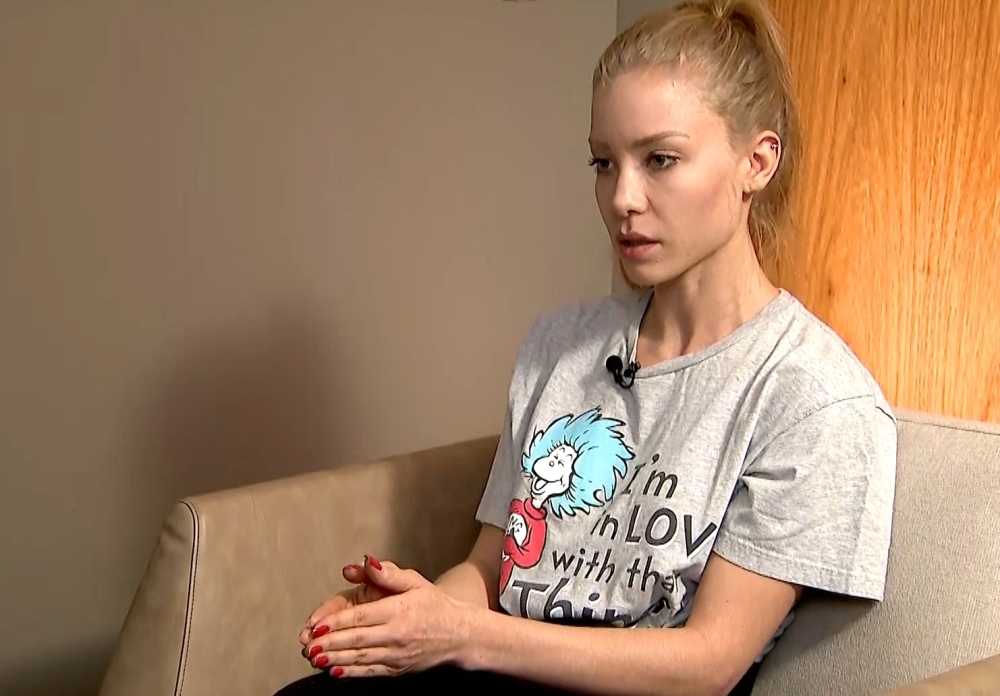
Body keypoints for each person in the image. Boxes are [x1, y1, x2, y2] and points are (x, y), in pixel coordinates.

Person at [274, 0, 897, 694]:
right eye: (605, 163)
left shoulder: (813, 396)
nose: (622, 198)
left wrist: (466, 636)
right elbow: (491, 571)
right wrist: (407, 621)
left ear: (757, 160)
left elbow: (709, 664)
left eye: (661, 159)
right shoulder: (559, 346)